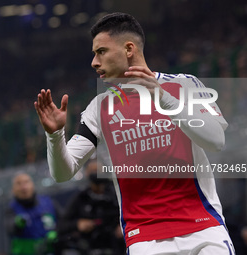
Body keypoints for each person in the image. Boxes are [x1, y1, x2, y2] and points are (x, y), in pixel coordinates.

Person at [34, 12, 234, 255]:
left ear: (129, 48)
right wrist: (55, 136)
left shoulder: (184, 85)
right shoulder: (98, 108)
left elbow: (216, 141)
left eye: (101, 52)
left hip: (204, 230)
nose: (94, 62)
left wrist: (165, 99)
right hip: (145, 240)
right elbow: (63, 173)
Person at [57, 159, 126, 255]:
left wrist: (124, 226)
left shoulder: (116, 194)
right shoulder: (82, 198)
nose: (96, 174)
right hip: (90, 248)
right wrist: (77, 224)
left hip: (118, 247)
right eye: (92, 171)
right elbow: (61, 225)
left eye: (98, 170)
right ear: (86, 173)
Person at [7, 172, 57, 255]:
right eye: (19, 184)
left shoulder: (48, 203)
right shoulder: (11, 209)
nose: (23, 187)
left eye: (26, 182)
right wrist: (17, 224)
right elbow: (9, 228)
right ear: (13, 189)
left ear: (33, 185)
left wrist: (57, 232)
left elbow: (64, 221)